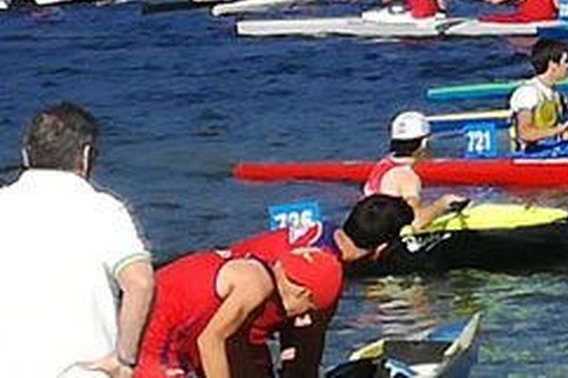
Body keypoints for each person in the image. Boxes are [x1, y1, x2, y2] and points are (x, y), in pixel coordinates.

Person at [0, 103, 154, 378]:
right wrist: (124, 358)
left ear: (26, 155)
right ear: (85, 156)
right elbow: (140, 283)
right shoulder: (103, 209)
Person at [227, 195, 414, 378]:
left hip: (211, 290)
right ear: (382, 247)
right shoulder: (325, 272)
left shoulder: (323, 230)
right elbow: (305, 356)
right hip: (231, 331)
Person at [136, 245, 342, 378]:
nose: (301, 317)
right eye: (308, 310)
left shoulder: (259, 273)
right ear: (303, 293)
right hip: (157, 340)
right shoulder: (257, 285)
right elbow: (210, 342)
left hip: (171, 331)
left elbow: (234, 344)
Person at [361, 112, 466, 230]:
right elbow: (415, 222)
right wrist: (443, 203)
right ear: (424, 144)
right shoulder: (407, 176)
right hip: (387, 240)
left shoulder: (383, 164)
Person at [511, 38, 568, 152]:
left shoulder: (558, 96)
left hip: (552, 150)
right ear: (552, 65)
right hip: (529, 155)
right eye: (566, 61)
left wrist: (567, 133)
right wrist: (557, 130)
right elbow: (525, 133)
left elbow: (559, 131)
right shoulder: (528, 93)